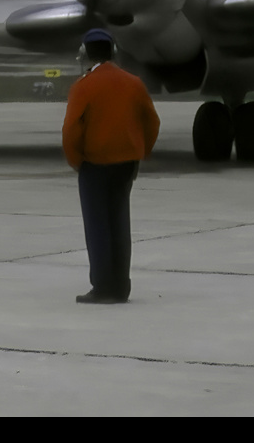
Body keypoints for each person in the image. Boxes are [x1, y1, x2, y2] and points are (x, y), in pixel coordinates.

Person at [62, 28, 160, 304]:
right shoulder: (133, 83)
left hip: (94, 164)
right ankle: (120, 286)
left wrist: (76, 161)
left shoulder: (82, 87)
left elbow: (71, 130)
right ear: (114, 51)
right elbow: (152, 122)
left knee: (97, 226)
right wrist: (140, 152)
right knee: (119, 223)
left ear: (84, 53)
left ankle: (103, 287)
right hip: (126, 164)